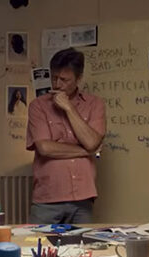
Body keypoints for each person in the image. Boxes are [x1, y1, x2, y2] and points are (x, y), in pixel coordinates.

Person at [26, 47, 105, 223]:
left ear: (78, 78)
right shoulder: (38, 106)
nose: (57, 85)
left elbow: (92, 142)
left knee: (83, 241)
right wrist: (85, 151)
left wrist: (69, 107)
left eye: (64, 80)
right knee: (38, 241)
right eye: (54, 78)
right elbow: (45, 148)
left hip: (83, 197)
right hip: (47, 197)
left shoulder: (95, 104)